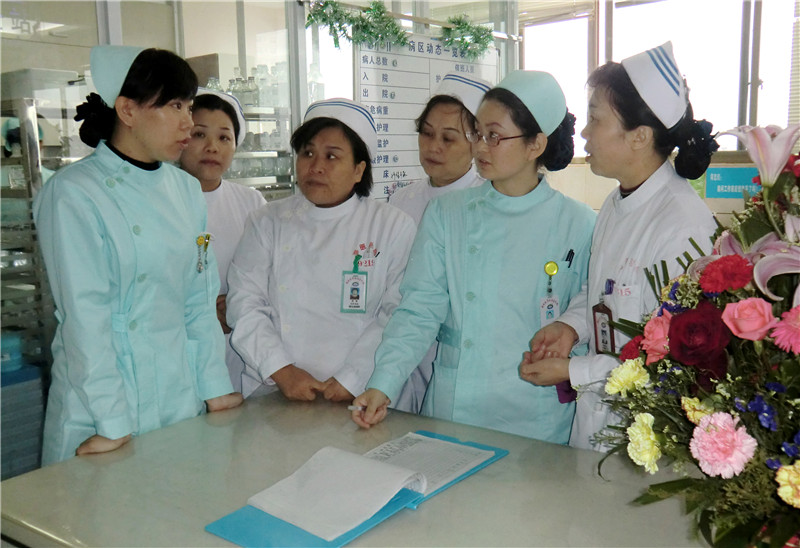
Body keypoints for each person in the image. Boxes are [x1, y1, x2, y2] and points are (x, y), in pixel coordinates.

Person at [352, 71, 596, 443]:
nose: (481, 147)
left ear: (535, 144)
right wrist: (383, 383)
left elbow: (589, 305)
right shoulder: (447, 214)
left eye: (494, 136)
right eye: (477, 134)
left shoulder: (579, 223)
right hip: (457, 404)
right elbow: (419, 309)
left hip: (538, 413)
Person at [33, 46, 242, 465]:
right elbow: (85, 316)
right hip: (101, 407)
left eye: (188, 106)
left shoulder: (185, 191)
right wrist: (112, 422)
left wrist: (215, 388)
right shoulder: (74, 193)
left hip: (179, 399)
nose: (188, 123)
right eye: (175, 106)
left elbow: (197, 303)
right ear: (127, 110)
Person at [519, 42, 719, 451]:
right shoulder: (616, 202)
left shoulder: (684, 226)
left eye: (595, 119)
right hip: (597, 421)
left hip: (648, 436)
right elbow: (600, 291)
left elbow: (670, 357)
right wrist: (569, 326)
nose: (585, 133)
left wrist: (573, 371)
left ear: (639, 136)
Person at [226, 98, 417, 402]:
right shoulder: (266, 221)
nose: (315, 166)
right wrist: (282, 370)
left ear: (358, 170)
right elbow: (244, 303)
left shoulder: (391, 226)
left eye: (331, 156)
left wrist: (352, 378)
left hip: (365, 393)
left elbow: (398, 313)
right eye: (308, 153)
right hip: (277, 391)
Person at [389, 72, 490, 414]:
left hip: (461, 353)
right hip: (402, 344)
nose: (433, 147)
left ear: (477, 143)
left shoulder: (487, 201)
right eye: (427, 133)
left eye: (448, 138)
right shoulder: (401, 201)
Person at [180, 88, 266, 393]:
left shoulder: (251, 203)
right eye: (199, 134)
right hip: (179, 348)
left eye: (224, 138)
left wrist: (235, 306)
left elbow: (272, 275)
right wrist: (203, 311)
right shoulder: (161, 201)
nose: (212, 147)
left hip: (237, 346)